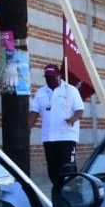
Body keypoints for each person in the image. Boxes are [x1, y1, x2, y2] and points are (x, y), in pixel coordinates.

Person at [28, 63, 84, 197]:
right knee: (53, 170)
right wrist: (27, 128)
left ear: (59, 76)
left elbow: (80, 110)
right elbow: (34, 112)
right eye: (47, 77)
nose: (49, 80)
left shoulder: (70, 90)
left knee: (68, 168)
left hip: (67, 136)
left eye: (52, 77)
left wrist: (72, 119)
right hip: (49, 137)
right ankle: (59, 194)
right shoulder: (41, 93)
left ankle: (74, 195)